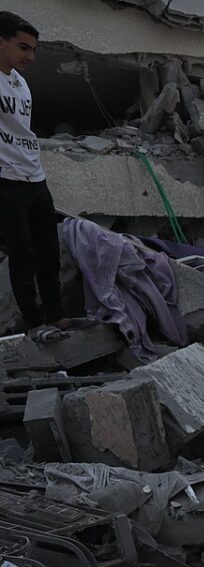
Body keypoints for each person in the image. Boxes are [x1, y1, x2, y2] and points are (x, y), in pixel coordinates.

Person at [0, 13, 67, 337]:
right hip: (5, 179)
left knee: (49, 251)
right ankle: (35, 322)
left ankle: (56, 314)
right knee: (22, 253)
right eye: (23, 47)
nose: (30, 56)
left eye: (34, 49)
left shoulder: (20, 82)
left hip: (34, 175)